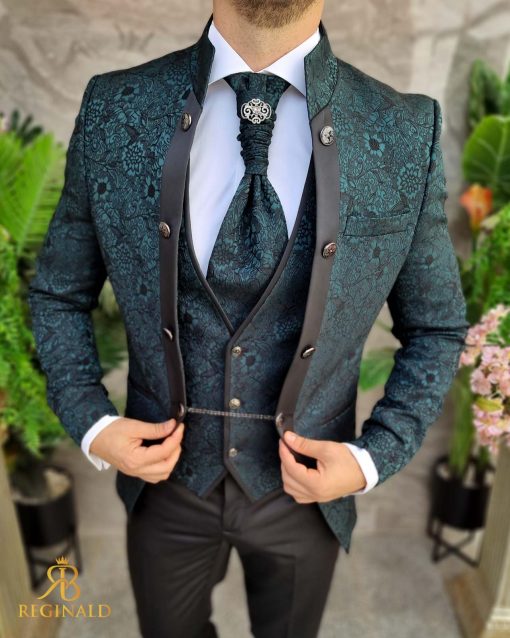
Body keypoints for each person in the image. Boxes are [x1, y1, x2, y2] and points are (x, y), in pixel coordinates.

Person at [28, 0, 469, 636]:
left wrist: (374, 457)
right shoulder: (115, 106)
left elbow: (436, 327)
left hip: (306, 495)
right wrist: (93, 423)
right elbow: (59, 292)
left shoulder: (402, 130)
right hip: (165, 487)